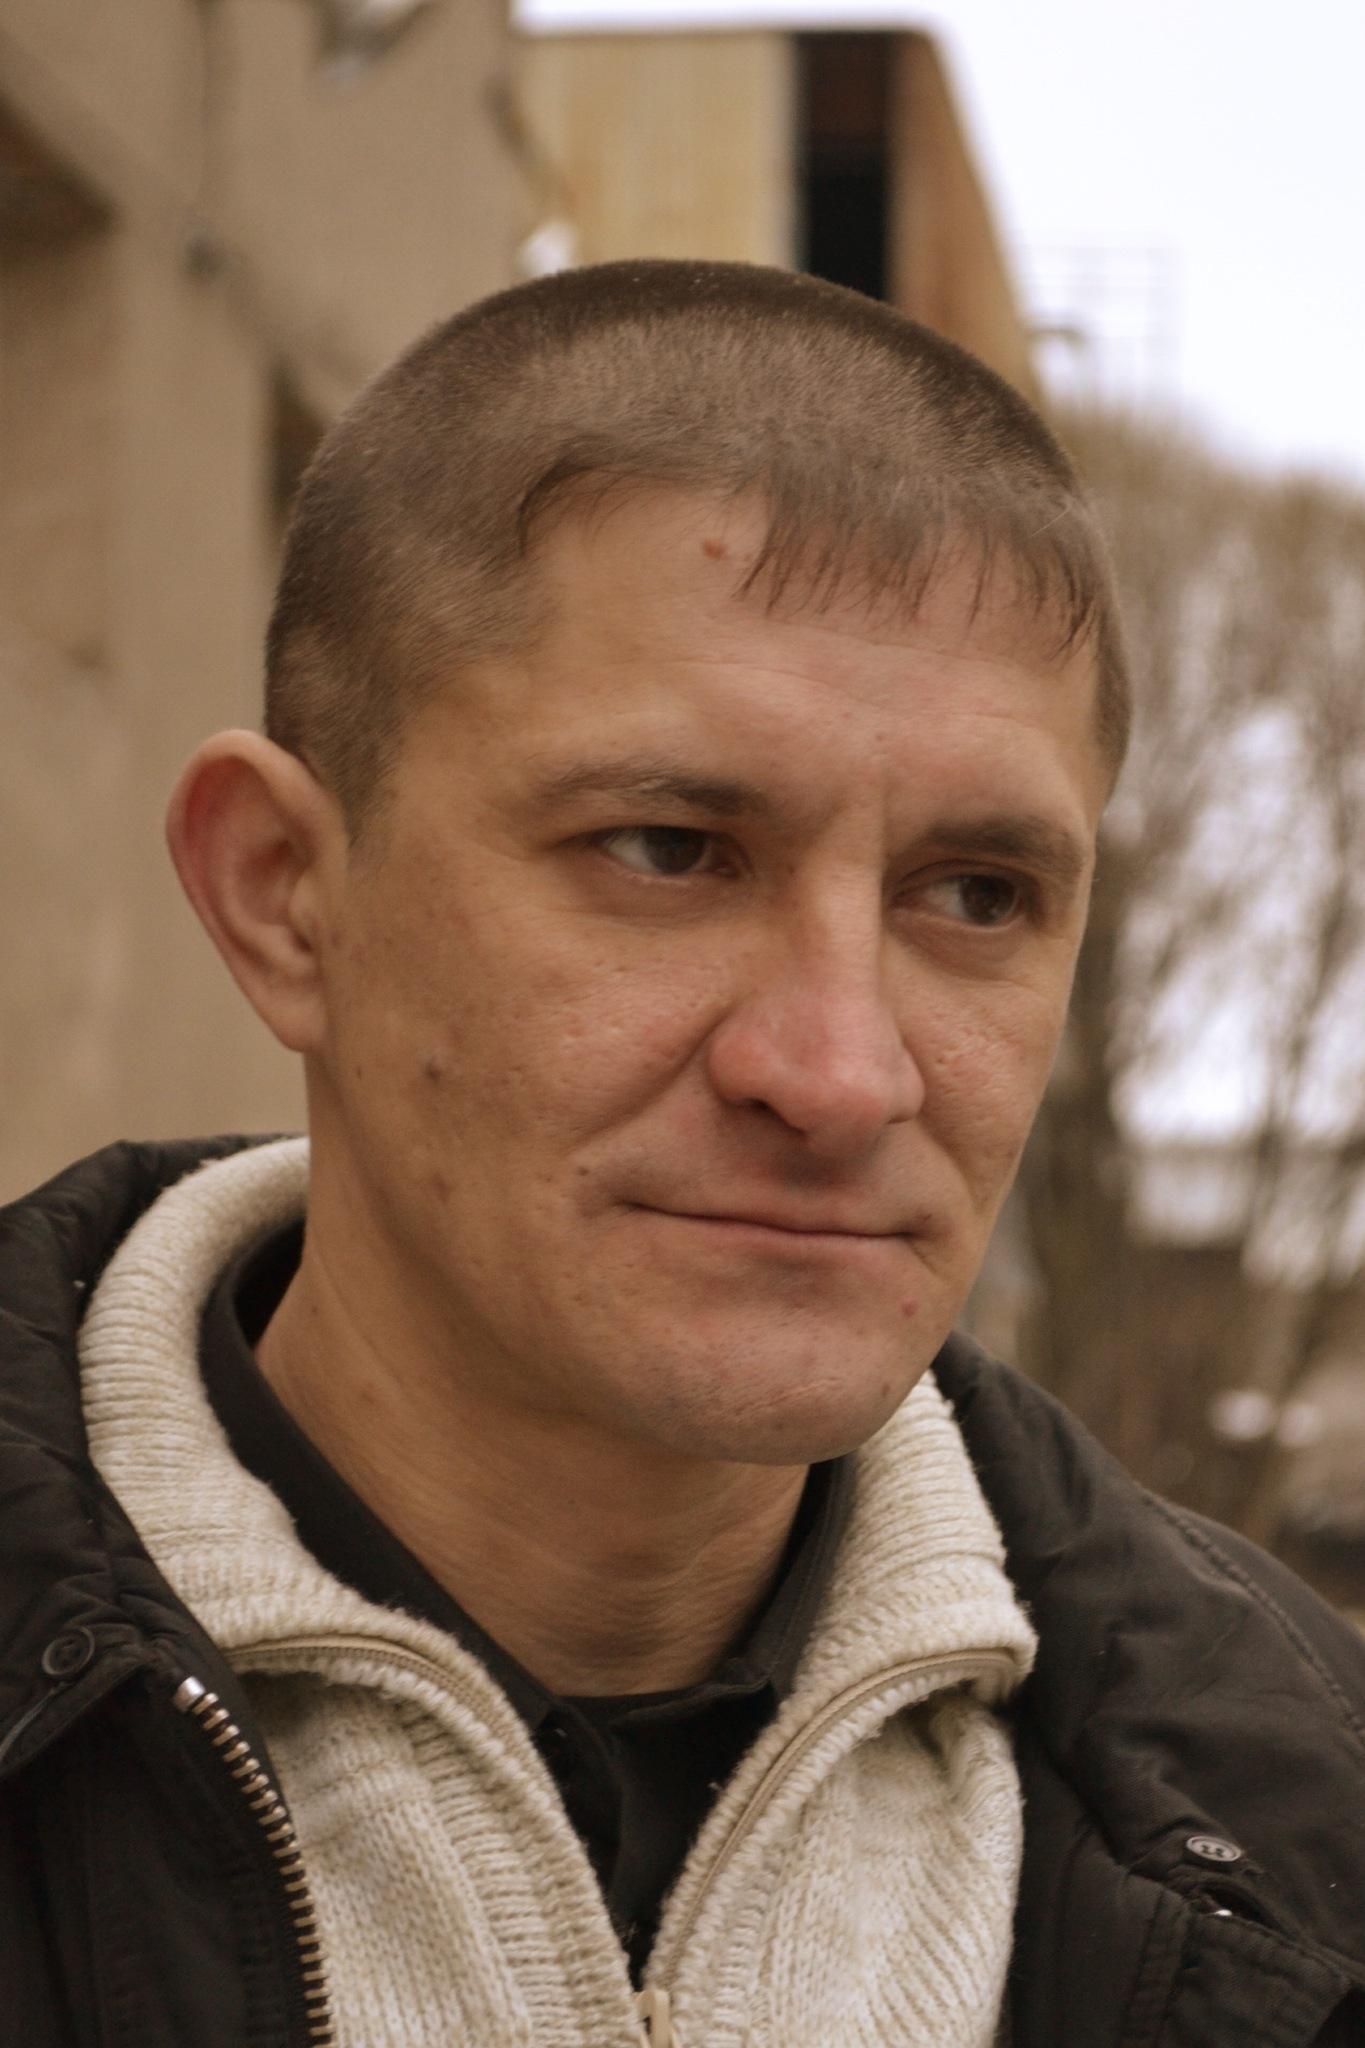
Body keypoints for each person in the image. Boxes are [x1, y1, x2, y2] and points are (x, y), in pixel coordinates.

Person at [1, 262, 1361, 2048]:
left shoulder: (1311, 1811)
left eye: (975, 896)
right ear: (283, 896)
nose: (841, 1073)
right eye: (664, 850)